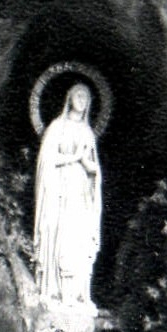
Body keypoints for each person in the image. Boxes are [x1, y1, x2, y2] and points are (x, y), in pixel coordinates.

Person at [33, 81, 102, 307]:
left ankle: (75, 293)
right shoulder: (56, 127)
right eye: (78, 96)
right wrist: (75, 158)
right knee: (59, 235)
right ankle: (54, 290)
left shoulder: (87, 132)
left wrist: (89, 166)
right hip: (59, 189)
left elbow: (94, 169)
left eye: (86, 98)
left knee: (78, 238)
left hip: (80, 191)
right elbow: (47, 160)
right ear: (69, 99)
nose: (82, 101)